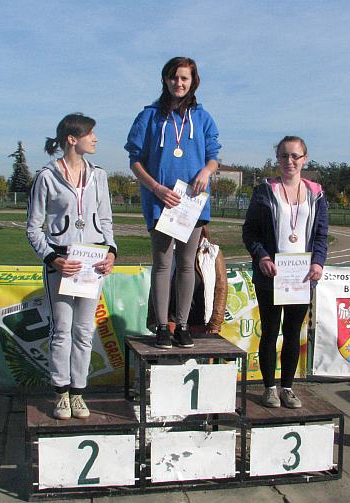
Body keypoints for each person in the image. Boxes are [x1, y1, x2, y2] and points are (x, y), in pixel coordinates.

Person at [125, 56, 221, 349]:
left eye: (184, 78)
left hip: (192, 202)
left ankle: (182, 325)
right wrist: (156, 188)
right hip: (161, 201)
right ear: (165, 80)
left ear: (193, 82)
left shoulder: (203, 117)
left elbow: (214, 156)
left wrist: (206, 171)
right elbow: (135, 160)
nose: (179, 83)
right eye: (173, 77)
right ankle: (162, 326)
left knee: (187, 264)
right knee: (163, 264)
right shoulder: (149, 116)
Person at [27, 113, 117, 420]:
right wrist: (52, 259)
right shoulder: (46, 177)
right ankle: (61, 394)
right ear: (72, 139)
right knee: (61, 331)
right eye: (90, 134)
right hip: (62, 265)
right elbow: (33, 228)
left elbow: (105, 220)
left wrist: (111, 252)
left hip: (93, 265)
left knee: (84, 331)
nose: (95, 139)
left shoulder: (99, 176)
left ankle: (78, 393)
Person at [242, 136, 328, 408]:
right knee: (270, 331)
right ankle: (269, 388)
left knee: (292, 333)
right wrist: (262, 256)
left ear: (305, 159)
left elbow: (321, 235)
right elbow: (250, 232)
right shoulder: (264, 191)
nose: (289, 161)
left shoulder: (316, 194)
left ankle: (287, 388)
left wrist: (318, 262)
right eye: (283, 156)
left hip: (301, 277)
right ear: (277, 159)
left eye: (295, 156)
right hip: (271, 275)